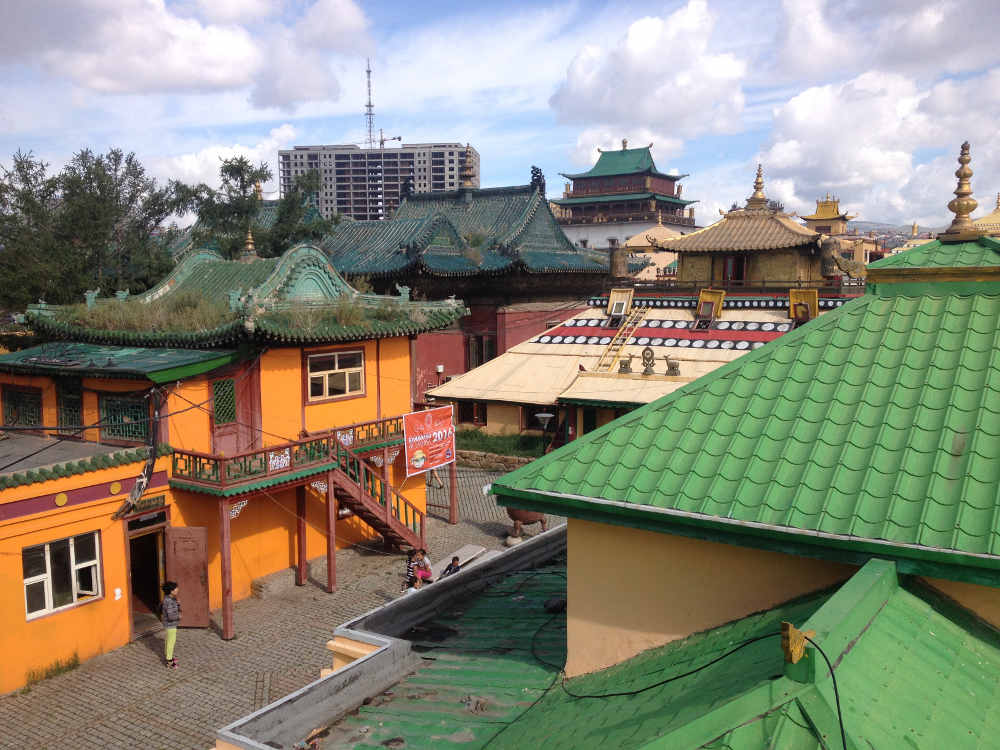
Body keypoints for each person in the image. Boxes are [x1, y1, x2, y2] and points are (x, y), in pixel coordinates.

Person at [161, 581, 181, 668]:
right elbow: (170, 616)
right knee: (170, 642)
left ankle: (169, 656)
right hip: (170, 624)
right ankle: (169, 661)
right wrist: (178, 616)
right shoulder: (169, 601)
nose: (178, 589)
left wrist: (178, 604)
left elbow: (173, 607)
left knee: (169, 641)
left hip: (170, 624)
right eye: (176, 588)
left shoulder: (170, 598)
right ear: (171, 591)